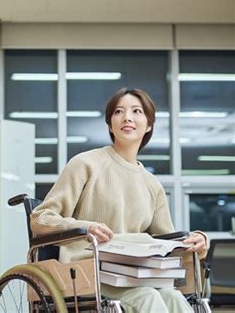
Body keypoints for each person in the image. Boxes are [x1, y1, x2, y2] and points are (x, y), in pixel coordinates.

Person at [30, 87, 207, 313]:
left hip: (136, 274)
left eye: (137, 111)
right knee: (147, 298)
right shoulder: (85, 164)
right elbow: (40, 217)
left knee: (172, 297)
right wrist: (86, 227)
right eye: (118, 112)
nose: (127, 118)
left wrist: (198, 242)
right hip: (89, 272)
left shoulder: (153, 185)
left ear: (149, 125)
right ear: (110, 124)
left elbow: (168, 245)